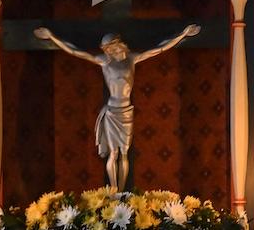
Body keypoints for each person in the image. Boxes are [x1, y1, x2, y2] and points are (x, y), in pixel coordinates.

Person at [34, 23, 201, 190]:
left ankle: (122, 193)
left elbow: (159, 49)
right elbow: (75, 52)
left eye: (110, 46)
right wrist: (52, 37)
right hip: (112, 112)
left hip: (126, 112)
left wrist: (183, 34)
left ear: (118, 43)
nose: (109, 50)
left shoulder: (131, 59)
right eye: (106, 48)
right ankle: (114, 192)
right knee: (113, 153)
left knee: (125, 153)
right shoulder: (104, 61)